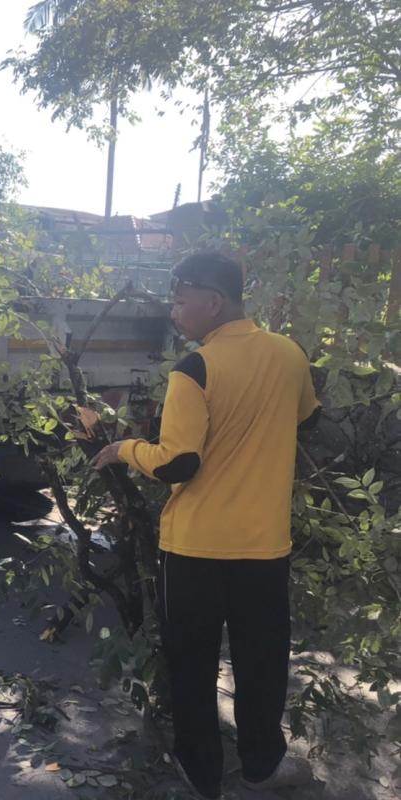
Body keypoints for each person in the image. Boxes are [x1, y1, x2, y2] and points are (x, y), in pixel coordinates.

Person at [92, 252, 319, 798]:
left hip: (195, 551)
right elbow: (307, 419)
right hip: (264, 548)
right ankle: (262, 766)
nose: (174, 312)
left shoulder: (195, 369)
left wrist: (124, 448)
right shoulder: (290, 355)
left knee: (192, 667)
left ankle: (201, 775)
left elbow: (178, 463)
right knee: (262, 664)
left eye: (179, 301)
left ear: (213, 301)